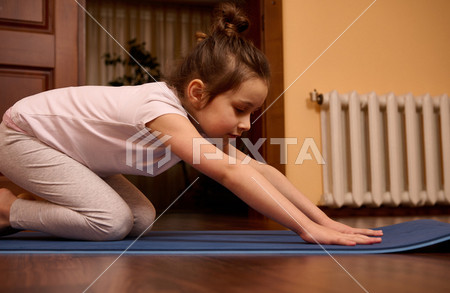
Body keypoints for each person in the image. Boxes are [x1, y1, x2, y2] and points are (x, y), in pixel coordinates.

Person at [0, 2, 382, 245]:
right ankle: (7, 208)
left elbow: (259, 171)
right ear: (198, 93)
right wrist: (305, 230)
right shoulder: (161, 110)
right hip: (22, 136)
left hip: (73, 155)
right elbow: (231, 175)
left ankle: (36, 200)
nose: (247, 124)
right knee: (111, 223)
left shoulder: (196, 124)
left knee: (141, 219)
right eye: (240, 109)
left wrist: (325, 220)